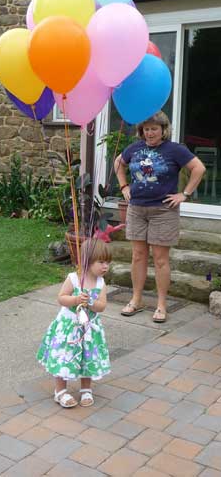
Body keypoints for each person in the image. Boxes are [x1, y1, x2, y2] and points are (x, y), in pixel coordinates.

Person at [114, 111, 206, 323]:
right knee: (137, 255)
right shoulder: (135, 148)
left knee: (160, 259)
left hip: (163, 211)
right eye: (146, 129)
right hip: (137, 208)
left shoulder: (174, 150)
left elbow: (198, 168)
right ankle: (136, 300)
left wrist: (185, 194)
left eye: (154, 128)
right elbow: (119, 163)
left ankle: (161, 305)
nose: (150, 133)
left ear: (163, 130)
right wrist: (124, 186)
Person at [37, 239, 111, 408]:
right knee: (65, 356)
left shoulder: (100, 283)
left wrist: (91, 303)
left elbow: (102, 306)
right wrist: (76, 299)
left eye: (107, 262)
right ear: (87, 261)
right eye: (101, 262)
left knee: (88, 357)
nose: (105, 266)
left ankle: (86, 389)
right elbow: (61, 298)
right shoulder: (74, 279)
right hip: (69, 327)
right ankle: (60, 391)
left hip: (89, 328)